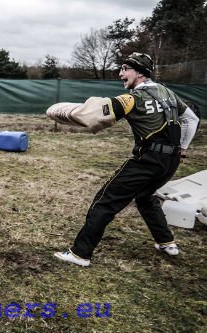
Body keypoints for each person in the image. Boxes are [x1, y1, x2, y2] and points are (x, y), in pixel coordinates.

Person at [47, 52, 200, 266]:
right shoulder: (167, 93)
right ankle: (167, 242)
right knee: (146, 198)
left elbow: (93, 116)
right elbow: (192, 119)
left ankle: (80, 254)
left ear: (138, 72)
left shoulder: (132, 99)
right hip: (171, 161)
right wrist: (182, 148)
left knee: (105, 202)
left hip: (147, 160)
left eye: (124, 69)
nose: (120, 74)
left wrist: (62, 112)